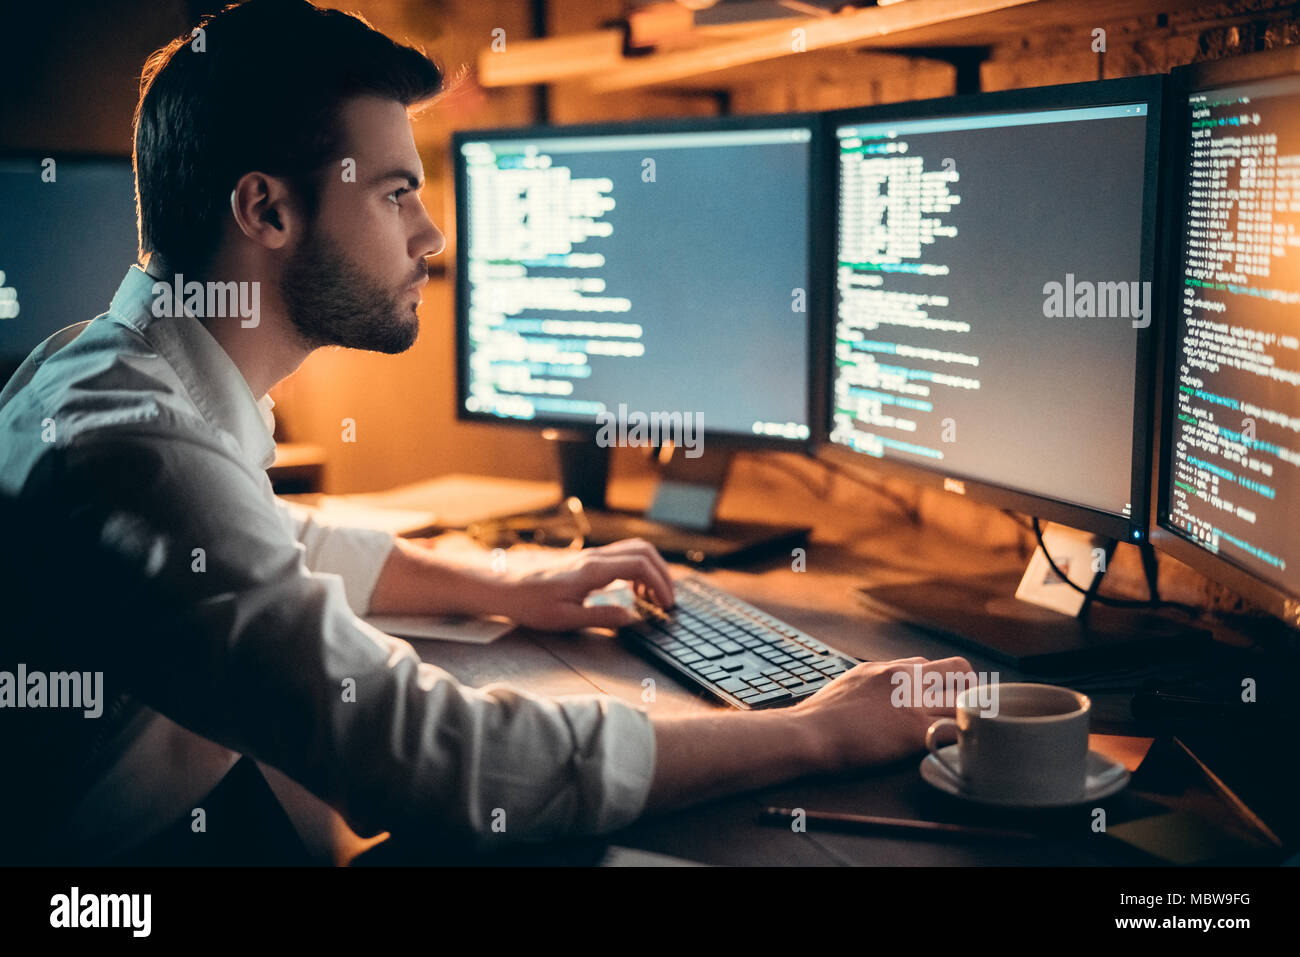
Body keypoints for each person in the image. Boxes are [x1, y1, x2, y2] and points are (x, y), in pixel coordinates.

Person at [0, 0, 967, 863]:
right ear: (266, 208)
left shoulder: (118, 371)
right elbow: (441, 762)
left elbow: (267, 542)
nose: (431, 235)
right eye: (394, 193)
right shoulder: (133, 446)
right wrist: (821, 730)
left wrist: (510, 581)